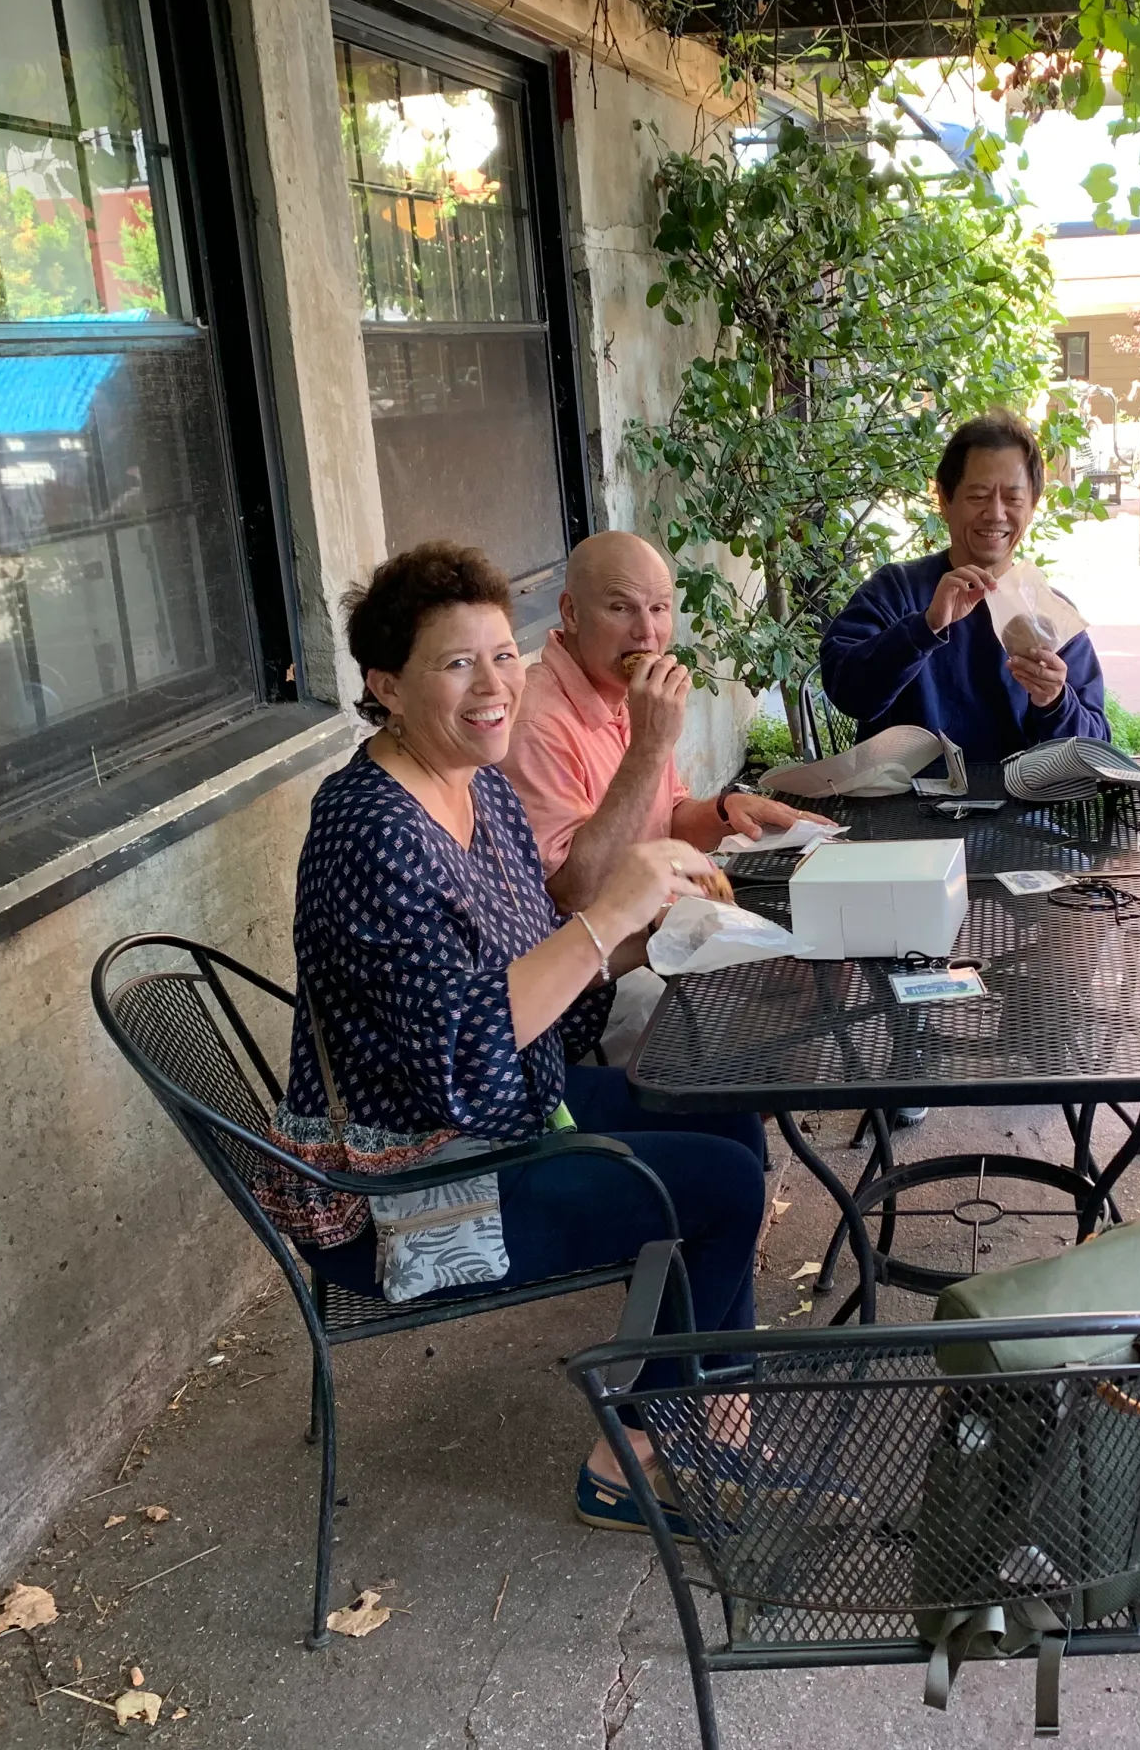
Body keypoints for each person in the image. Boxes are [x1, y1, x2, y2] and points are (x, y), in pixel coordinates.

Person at [275, 542, 771, 1538]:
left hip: (510, 1110)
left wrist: (663, 917)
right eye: (458, 664)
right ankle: (630, 1457)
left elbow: (543, 973)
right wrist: (606, 920)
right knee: (722, 1189)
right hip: (413, 1192)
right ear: (386, 687)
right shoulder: (368, 827)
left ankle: (709, 1392)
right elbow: (459, 1062)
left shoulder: (479, 786)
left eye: (504, 657)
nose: (497, 686)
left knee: (727, 1102)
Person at [502, 530, 822, 914]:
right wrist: (650, 747)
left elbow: (664, 819)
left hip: (673, 918)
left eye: (658, 608)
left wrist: (726, 809)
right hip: (614, 959)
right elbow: (573, 891)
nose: (647, 632)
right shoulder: (534, 724)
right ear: (571, 612)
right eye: (621, 608)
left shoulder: (630, 693)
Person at [821, 411, 1110, 762]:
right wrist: (924, 628)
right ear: (944, 500)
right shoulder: (895, 591)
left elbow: (1096, 750)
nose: (996, 513)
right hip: (903, 809)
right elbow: (847, 693)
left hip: (1017, 807)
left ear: (1032, 506)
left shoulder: (1048, 615)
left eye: (1014, 499)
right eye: (978, 496)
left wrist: (1055, 701)